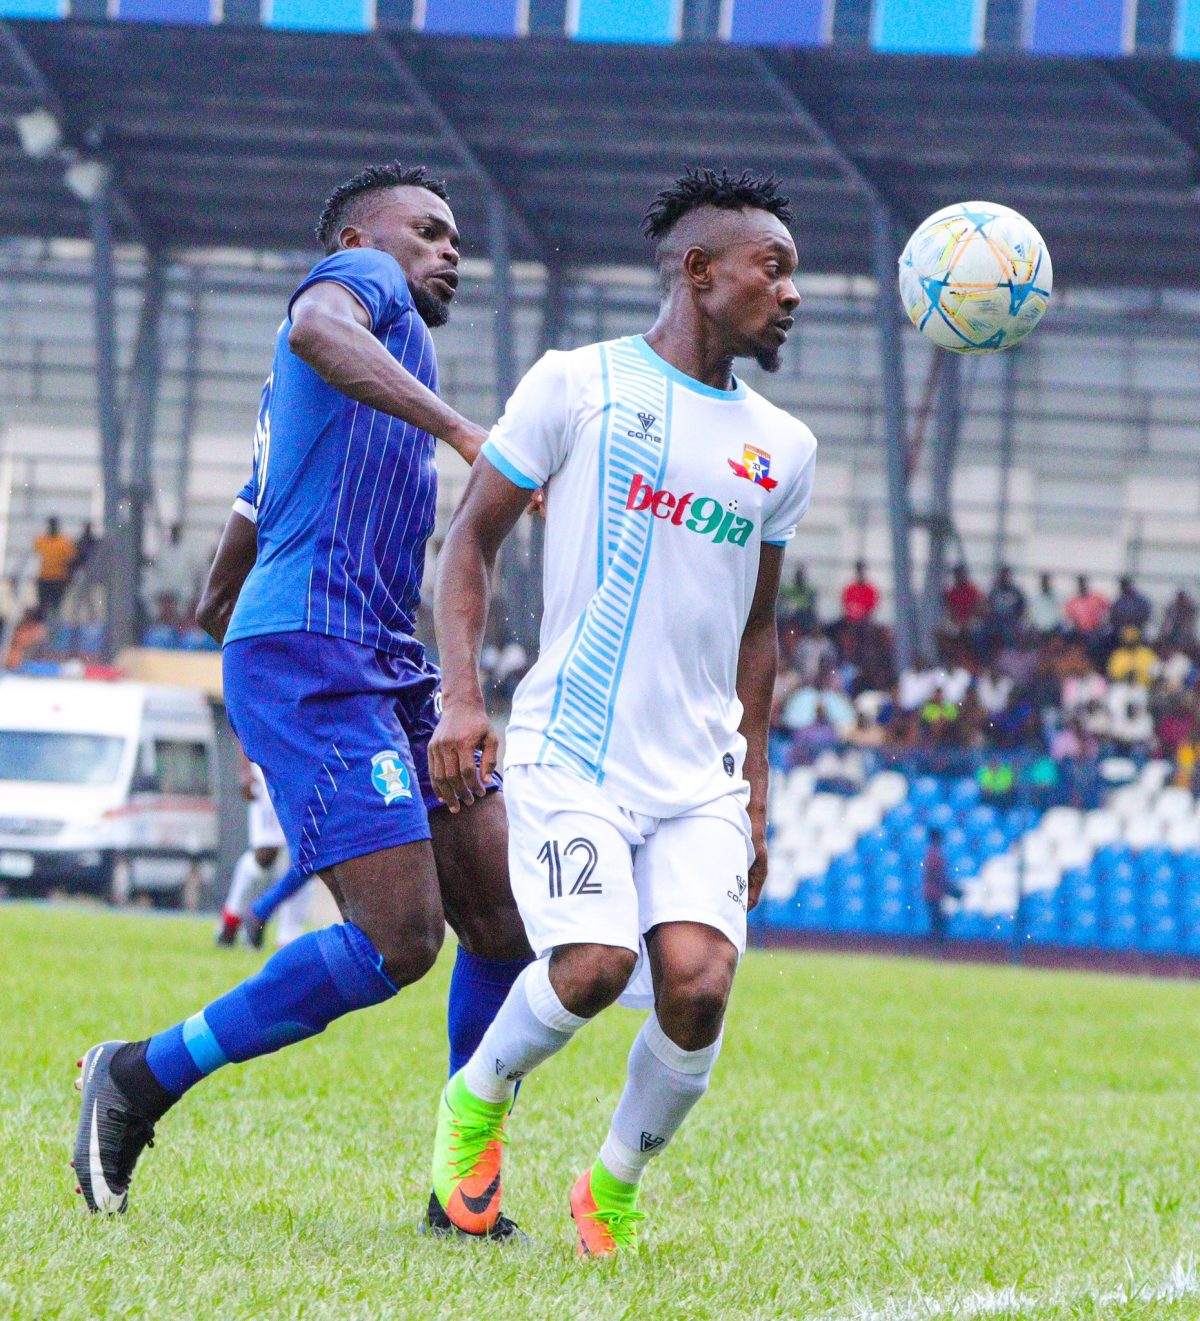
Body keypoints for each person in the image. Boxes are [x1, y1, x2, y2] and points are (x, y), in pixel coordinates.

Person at [72, 163, 533, 1228]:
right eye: (429, 230)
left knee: (500, 915)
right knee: (402, 939)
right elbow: (318, 326)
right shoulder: (357, 287)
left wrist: (228, 614)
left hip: (378, 656)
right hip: (320, 652)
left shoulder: (355, 374)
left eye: (456, 238)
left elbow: (244, 525)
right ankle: (138, 1075)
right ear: (363, 238)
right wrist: (465, 432)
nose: (448, 251)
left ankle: (461, 1191)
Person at [423, 168, 816, 1255]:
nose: (792, 293)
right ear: (699, 270)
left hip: (699, 771)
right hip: (575, 748)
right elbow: (470, 542)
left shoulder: (784, 448)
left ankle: (613, 1183)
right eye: (773, 269)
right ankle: (475, 1103)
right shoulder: (577, 382)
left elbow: (758, 633)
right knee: (591, 966)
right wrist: (462, 697)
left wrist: (756, 799)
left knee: (699, 986)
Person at [215, 755, 293, 946]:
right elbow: (241, 733)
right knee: (265, 854)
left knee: (306, 854)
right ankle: (232, 917)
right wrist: (245, 769)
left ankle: (289, 935)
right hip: (270, 765)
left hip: (306, 765)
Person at [33, 516, 77, 614]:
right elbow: (36, 552)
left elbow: (72, 559)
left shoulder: (64, 542)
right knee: (43, 605)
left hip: (59, 578)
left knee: (57, 605)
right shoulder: (41, 540)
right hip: (44, 577)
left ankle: (54, 620)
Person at [922, 829, 955, 943]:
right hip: (935, 892)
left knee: (937, 920)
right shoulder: (934, 855)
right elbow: (935, 875)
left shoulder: (932, 854)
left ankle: (936, 943)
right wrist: (947, 887)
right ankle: (936, 944)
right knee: (937, 920)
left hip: (934, 891)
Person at [1028, 572, 1061, 637]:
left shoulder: (1056, 597)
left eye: (1047, 582)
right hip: (1038, 630)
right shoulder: (1035, 598)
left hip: (1053, 629)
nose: (1045, 584)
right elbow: (1032, 615)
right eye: (1044, 582)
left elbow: (1059, 615)